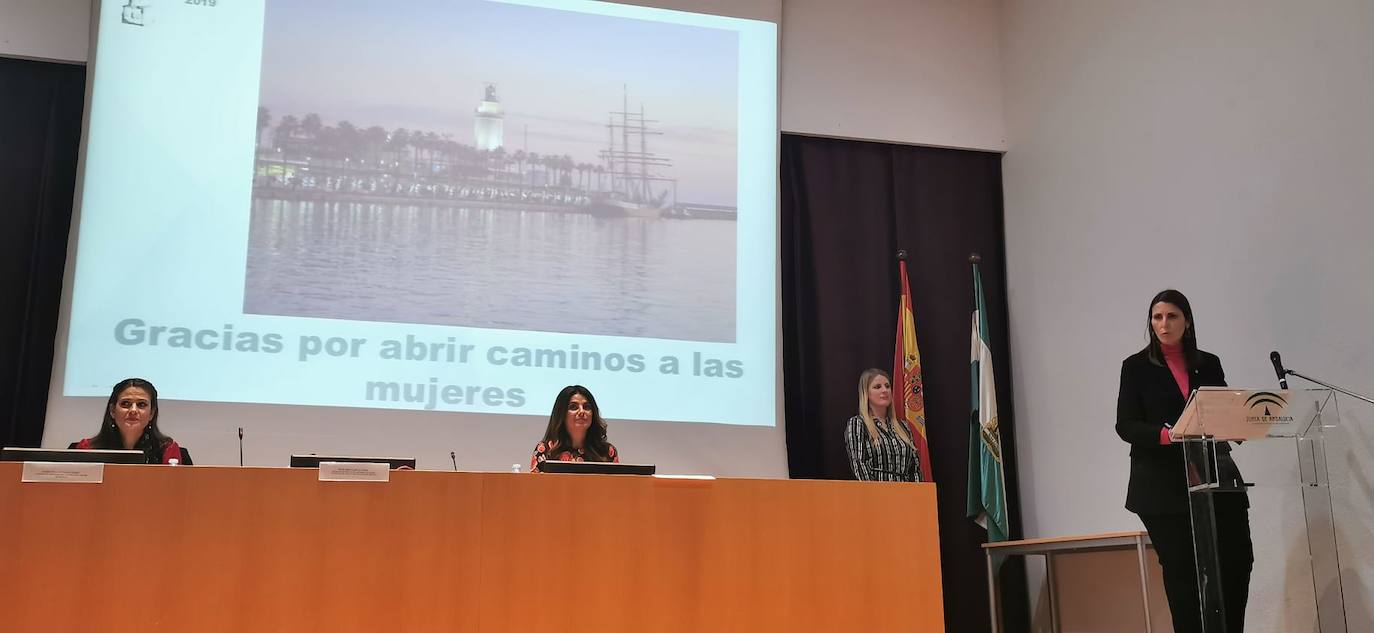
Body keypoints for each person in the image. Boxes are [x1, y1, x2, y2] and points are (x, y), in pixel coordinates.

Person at [1116, 289, 1252, 633]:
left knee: (1237, 561)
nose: (1164, 324)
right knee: (1183, 573)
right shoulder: (1135, 367)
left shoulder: (1208, 363)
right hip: (1162, 487)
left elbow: (1221, 408)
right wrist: (1167, 435)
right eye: (1157, 317)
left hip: (1214, 477)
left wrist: (1238, 424)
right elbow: (1126, 424)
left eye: (1172, 316)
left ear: (1187, 322)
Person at [70, 378, 193, 465]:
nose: (133, 410)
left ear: (151, 413)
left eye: (141, 404)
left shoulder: (167, 450)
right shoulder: (88, 448)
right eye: (126, 404)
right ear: (112, 411)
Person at [844, 368, 921, 482]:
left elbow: (914, 469)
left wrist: (916, 495)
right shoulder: (858, 424)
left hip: (905, 494)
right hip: (875, 494)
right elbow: (859, 465)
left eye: (887, 386)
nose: (885, 390)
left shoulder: (904, 427)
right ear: (866, 393)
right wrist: (878, 494)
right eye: (877, 387)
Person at [529, 385, 618, 473]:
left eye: (587, 407)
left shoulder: (607, 451)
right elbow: (535, 486)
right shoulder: (545, 449)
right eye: (573, 407)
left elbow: (617, 485)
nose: (581, 411)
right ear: (561, 414)